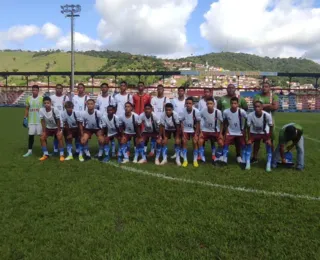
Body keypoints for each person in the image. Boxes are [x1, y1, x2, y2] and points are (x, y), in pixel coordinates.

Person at [252, 82, 279, 163]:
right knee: (257, 140)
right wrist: (269, 105)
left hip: (270, 121)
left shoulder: (274, 96)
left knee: (270, 140)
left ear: (269, 88)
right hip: (258, 120)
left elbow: (275, 107)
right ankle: (255, 158)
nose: (264, 88)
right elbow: (255, 106)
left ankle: (271, 158)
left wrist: (263, 106)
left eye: (266, 86)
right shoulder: (257, 96)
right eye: (263, 86)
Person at [245, 101, 273, 172]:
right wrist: (249, 138)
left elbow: (271, 126)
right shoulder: (250, 115)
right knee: (249, 144)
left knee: (269, 144)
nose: (257, 108)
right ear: (253, 107)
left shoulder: (267, 115)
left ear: (262, 107)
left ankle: (268, 163)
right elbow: (248, 127)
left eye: (259, 106)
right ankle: (248, 163)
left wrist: (269, 138)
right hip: (254, 132)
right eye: (255, 107)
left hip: (264, 132)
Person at [222, 97, 247, 165]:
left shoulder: (241, 111)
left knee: (243, 145)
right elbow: (224, 122)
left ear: (238, 104)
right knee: (225, 144)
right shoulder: (226, 111)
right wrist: (226, 130)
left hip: (239, 132)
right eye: (232, 103)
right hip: (230, 132)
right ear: (230, 104)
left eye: (235, 103)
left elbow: (247, 119)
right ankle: (225, 158)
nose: (233, 105)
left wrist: (244, 130)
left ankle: (240, 157)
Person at [198, 97, 224, 164]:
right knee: (200, 141)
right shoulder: (203, 110)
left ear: (214, 104)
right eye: (208, 103)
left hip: (215, 131)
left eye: (211, 103)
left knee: (221, 143)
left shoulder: (218, 112)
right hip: (205, 130)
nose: (209, 105)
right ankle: (202, 157)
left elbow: (222, 122)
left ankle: (216, 157)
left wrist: (221, 134)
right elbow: (198, 119)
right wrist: (200, 132)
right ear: (206, 104)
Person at [39, 96, 65, 162]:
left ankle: (62, 155)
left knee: (59, 137)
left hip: (56, 127)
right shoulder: (41, 110)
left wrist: (59, 130)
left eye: (48, 103)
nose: (46, 104)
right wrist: (44, 131)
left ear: (51, 103)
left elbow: (58, 120)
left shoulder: (54, 109)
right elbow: (42, 121)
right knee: (42, 138)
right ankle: (45, 154)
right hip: (48, 127)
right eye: (45, 103)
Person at [179, 97, 201, 168]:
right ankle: (185, 160)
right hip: (185, 129)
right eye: (187, 103)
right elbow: (181, 122)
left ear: (193, 104)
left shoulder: (196, 111)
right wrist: (182, 133)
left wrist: (197, 134)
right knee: (184, 141)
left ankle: (195, 160)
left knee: (195, 142)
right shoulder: (182, 111)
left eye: (190, 103)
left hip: (193, 130)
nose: (188, 105)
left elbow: (198, 123)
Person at [96, 83, 116, 157]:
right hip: (101, 120)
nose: (104, 88)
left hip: (109, 120)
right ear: (101, 89)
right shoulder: (98, 98)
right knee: (102, 135)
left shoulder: (111, 98)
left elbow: (114, 109)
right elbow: (97, 109)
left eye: (105, 87)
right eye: (102, 87)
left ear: (108, 88)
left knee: (111, 136)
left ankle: (113, 151)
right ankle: (101, 151)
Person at [22, 85, 43, 157]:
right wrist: (25, 118)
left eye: (36, 90)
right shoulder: (29, 99)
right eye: (33, 90)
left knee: (42, 136)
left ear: (38, 91)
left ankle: (44, 151)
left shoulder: (41, 99)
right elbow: (27, 109)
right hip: (31, 121)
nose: (34, 91)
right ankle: (29, 151)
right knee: (31, 136)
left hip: (39, 121)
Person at [133, 82, 153, 155]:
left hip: (144, 117)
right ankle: (136, 149)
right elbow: (133, 106)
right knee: (136, 133)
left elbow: (149, 106)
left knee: (145, 134)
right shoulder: (134, 96)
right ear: (137, 87)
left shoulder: (147, 96)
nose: (140, 87)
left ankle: (144, 149)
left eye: (141, 85)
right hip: (136, 117)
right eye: (139, 86)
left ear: (144, 87)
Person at [51, 84, 70, 154]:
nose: (58, 89)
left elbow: (68, 108)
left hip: (64, 119)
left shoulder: (66, 97)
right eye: (57, 88)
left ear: (62, 89)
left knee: (66, 135)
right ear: (55, 89)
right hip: (55, 119)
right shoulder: (52, 97)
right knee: (56, 135)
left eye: (60, 88)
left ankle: (68, 150)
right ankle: (55, 150)